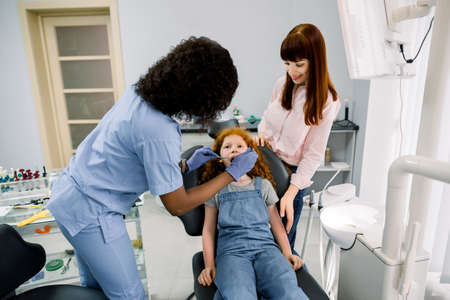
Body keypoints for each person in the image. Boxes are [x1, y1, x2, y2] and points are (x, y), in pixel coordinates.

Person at [47, 37, 258, 300]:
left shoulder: (138, 94)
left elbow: (137, 156)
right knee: (128, 295)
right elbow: (178, 205)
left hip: (69, 195)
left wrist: (183, 165)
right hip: (91, 212)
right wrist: (231, 174)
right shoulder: (159, 130)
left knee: (96, 291)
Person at [254, 24, 341, 254]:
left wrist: (291, 193)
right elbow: (266, 118)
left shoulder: (327, 100)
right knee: (252, 236)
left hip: (288, 179)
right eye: (287, 63)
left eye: (299, 64)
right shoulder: (282, 84)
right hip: (262, 166)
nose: (292, 70)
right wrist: (262, 133)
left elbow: (314, 154)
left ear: (316, 61)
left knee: (279, 248)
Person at [198, 128, 309, 300]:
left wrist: (287, 253)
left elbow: (277, 224)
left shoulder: (263, 186)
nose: (233, 149)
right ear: (219, 158)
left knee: (288, 290)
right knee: (238, 294)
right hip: (231, 253)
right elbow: (208, 230)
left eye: (239, 146)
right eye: (227, 147)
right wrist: (209, 265)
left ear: (251, 154)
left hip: (266, 249)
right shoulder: (215, 189)